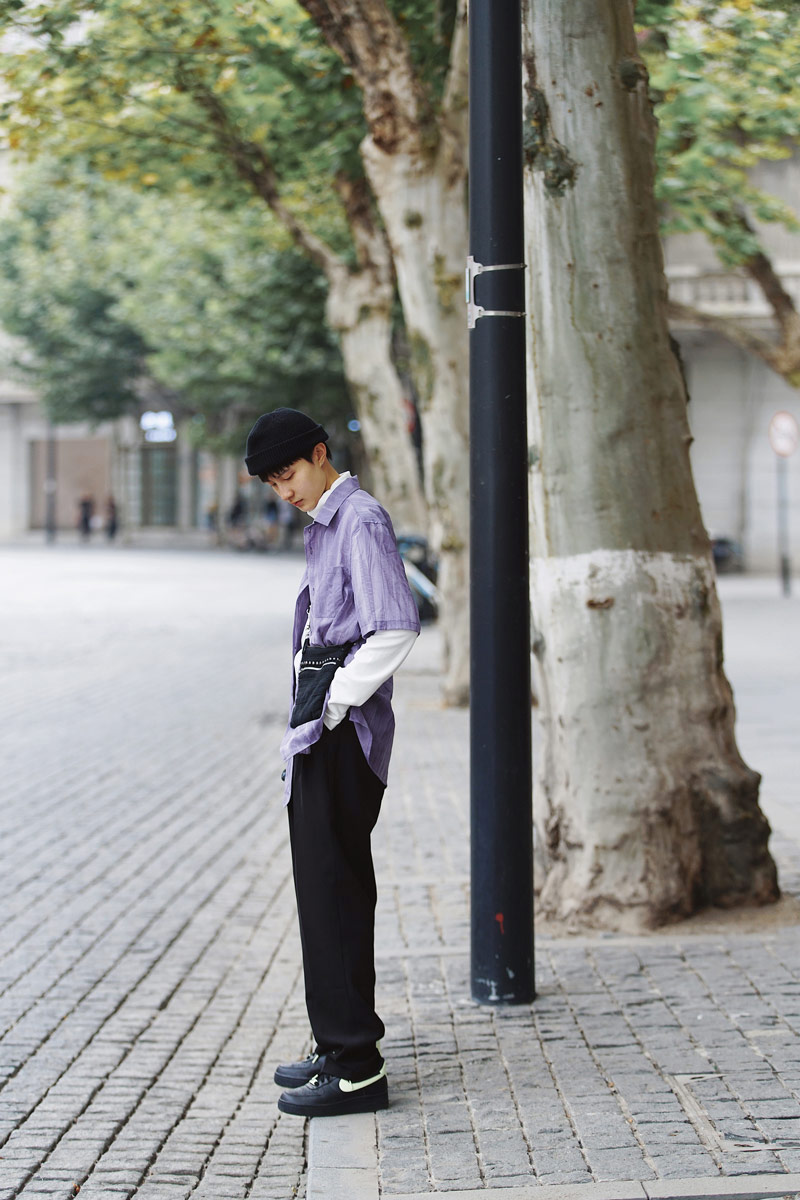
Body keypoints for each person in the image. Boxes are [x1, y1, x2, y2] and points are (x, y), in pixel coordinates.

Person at [244, 408, 420, 1118]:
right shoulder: (327, 522)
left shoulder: (360, 520)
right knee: (324, 892)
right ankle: (335, 1041)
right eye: (271, 481)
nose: (282, 490)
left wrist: (338, 703)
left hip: (340, 733)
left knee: (337, 890)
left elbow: (395, 625)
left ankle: (357, 1067)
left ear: (320, 455)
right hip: (319, 728)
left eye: (288, 473)